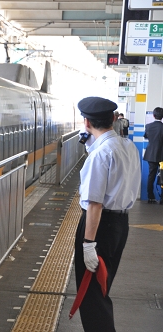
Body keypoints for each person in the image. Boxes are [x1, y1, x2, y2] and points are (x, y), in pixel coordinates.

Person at [75, 97, 141, 332]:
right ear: (113, 119)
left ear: (86, 122)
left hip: (99, 227)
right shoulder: (128, 146)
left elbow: (95, 204)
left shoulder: (100, 155)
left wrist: (88, 244)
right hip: (120, 224)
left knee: (92, 296)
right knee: (103, 285)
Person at [143, 107, 163, 204]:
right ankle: (162, 198)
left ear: (153, 115)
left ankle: (150, 197)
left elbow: (146, 136)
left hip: (151, 154)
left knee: (151, 176)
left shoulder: (148, 126)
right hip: (162, 155)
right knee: (162, 176)